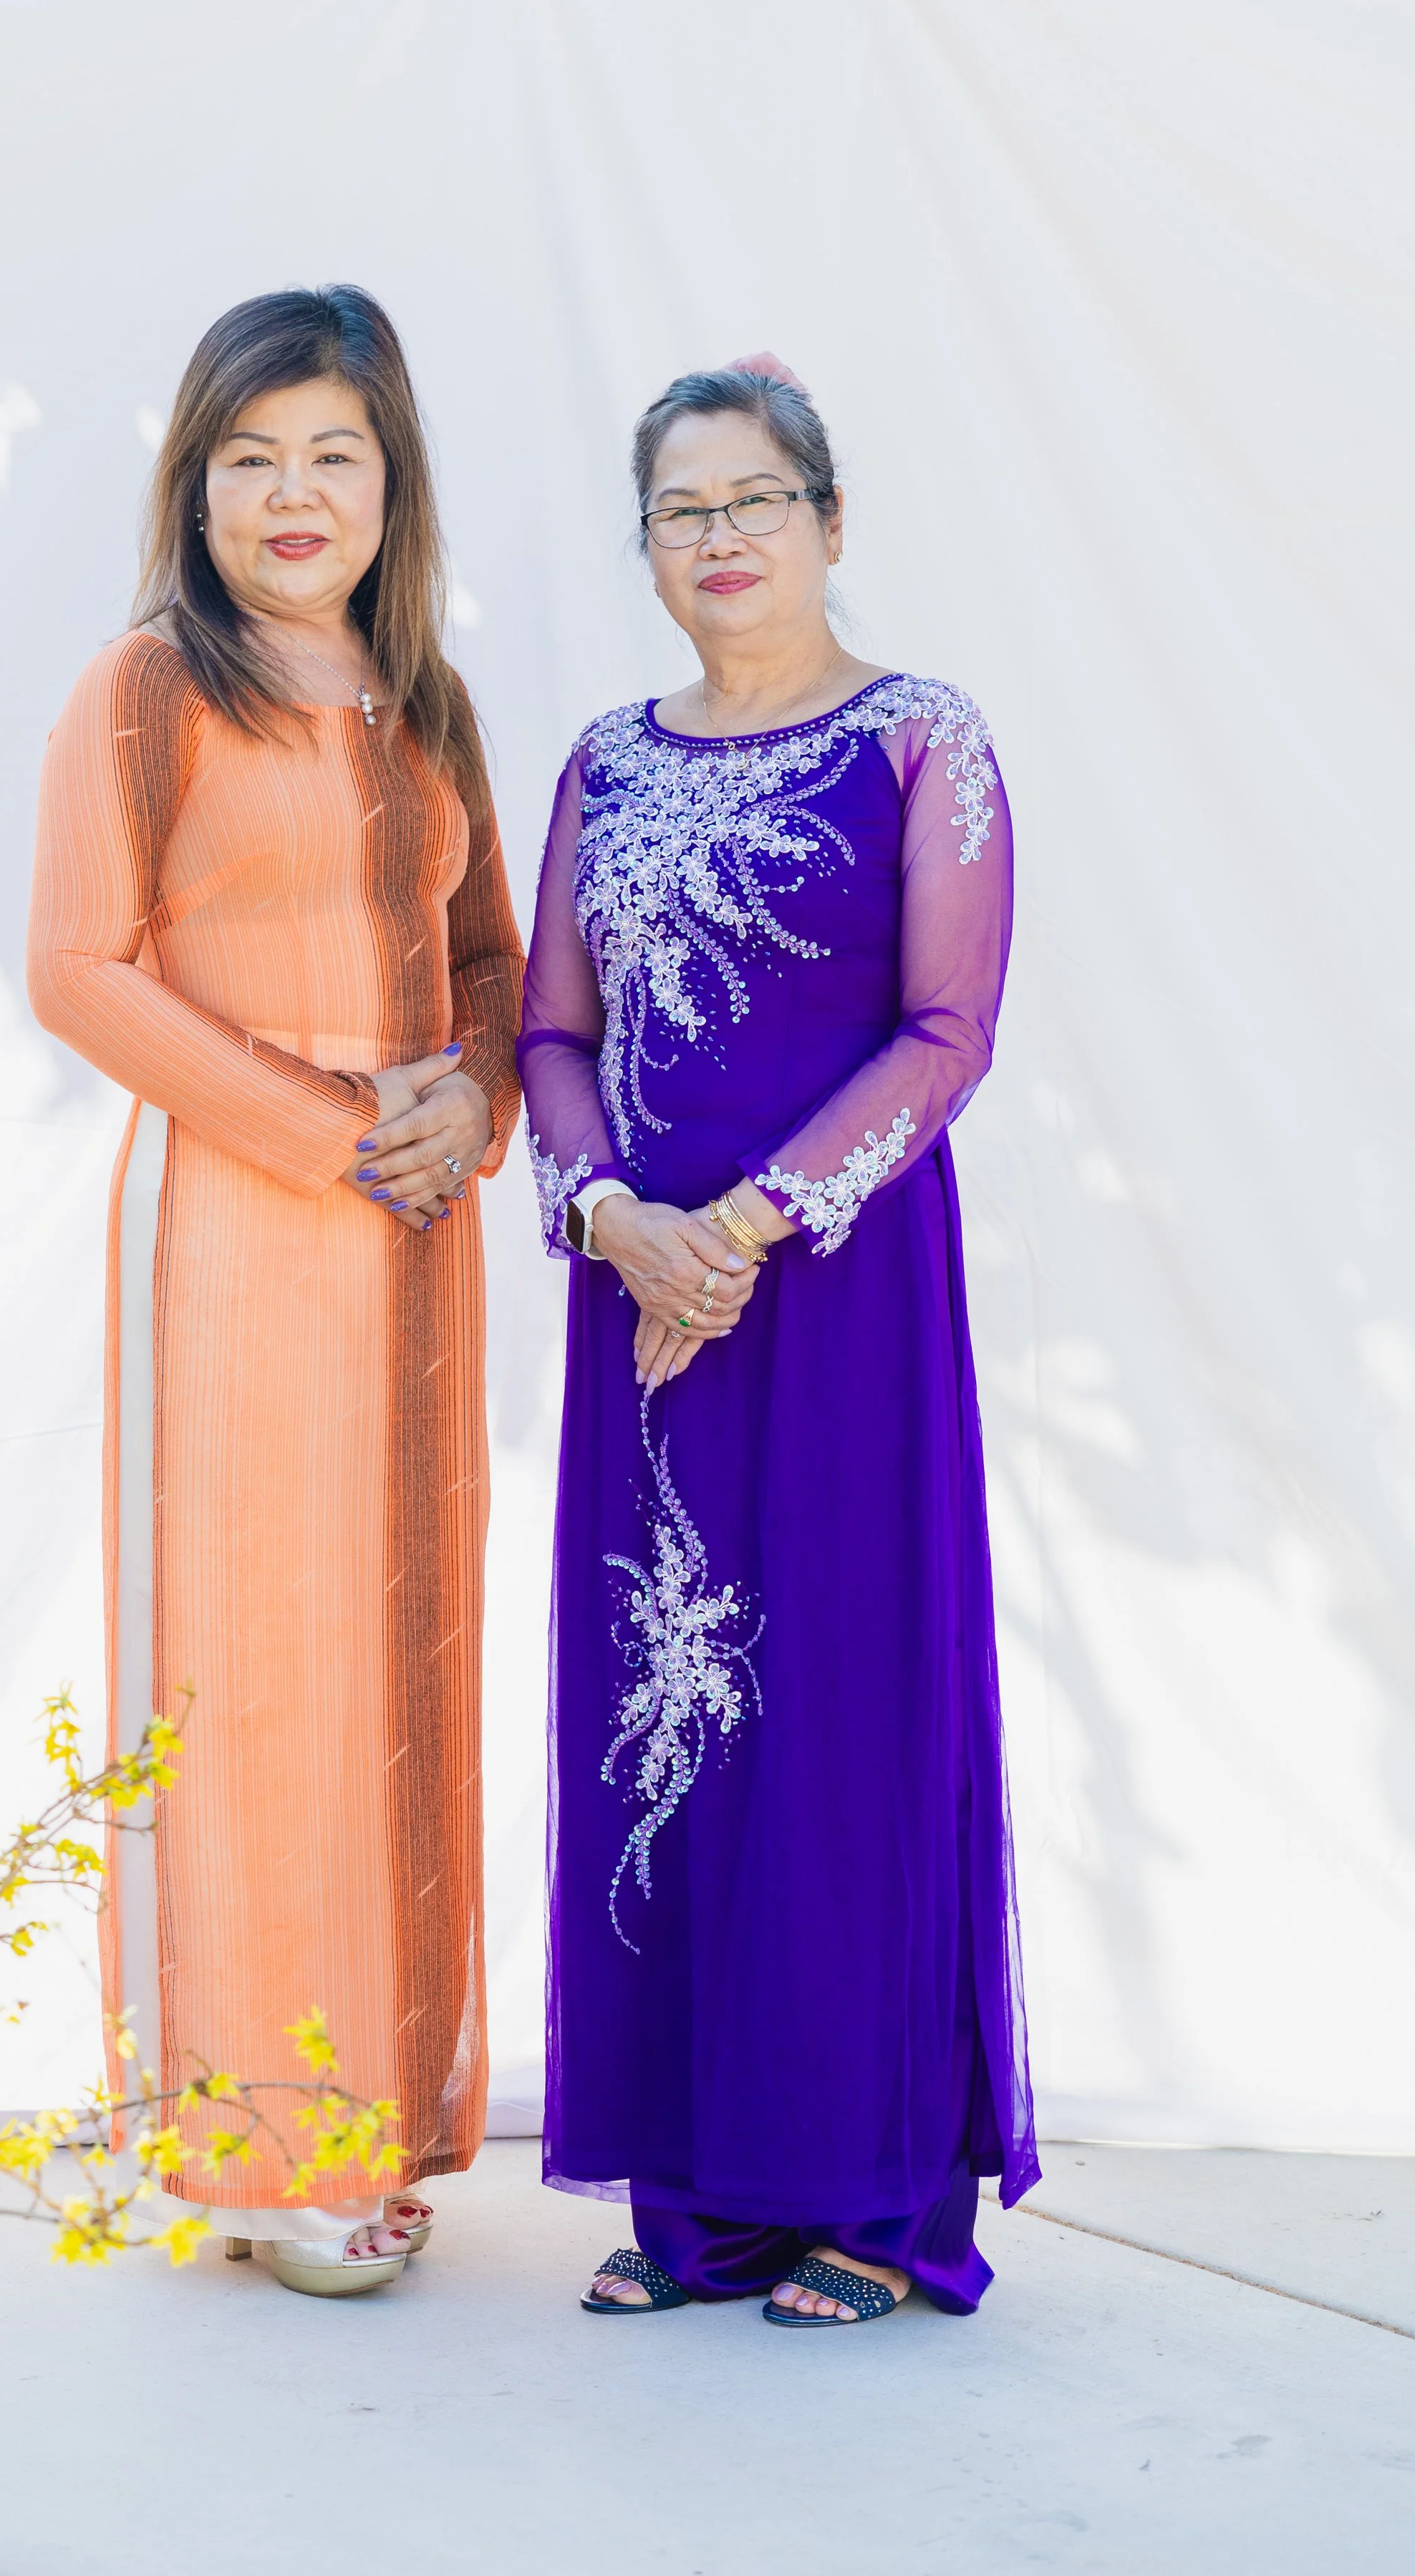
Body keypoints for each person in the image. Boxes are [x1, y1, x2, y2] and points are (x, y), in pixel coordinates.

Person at [518, 359, 1037, 2328]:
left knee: (836, 1708)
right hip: (639, 1307)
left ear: (827, 519)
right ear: (642, 544)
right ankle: (698, 2196)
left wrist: (745, 1222)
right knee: (665, 1717)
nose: (718, 537)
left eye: (753, 499)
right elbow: (549, 1032)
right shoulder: (601, 760)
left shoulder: (920, 742)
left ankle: (873, 2195)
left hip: (835, 1305)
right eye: (679, 508)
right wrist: (610, 1216)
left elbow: (945, 1031)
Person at [28, 286, 525, 2296]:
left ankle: (376, 2113)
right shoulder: (145, 691)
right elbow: (81, 971)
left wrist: (465, 1108)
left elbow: (487, 968)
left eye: (331, 451)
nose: (290, 492)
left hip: (420, 1260)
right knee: (253, 1676)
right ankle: (260, 2150)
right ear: (194, 482)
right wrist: (333, 1130)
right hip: (234, 1249)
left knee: (394, 1665)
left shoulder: (430, 707)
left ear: (391, 481)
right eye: (248, 456)